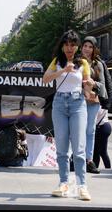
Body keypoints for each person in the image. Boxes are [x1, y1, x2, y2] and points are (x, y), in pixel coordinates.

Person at [43, 30, 92, 201]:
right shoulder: (57, 61)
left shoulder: (83, 63)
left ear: (77, 46)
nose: (70, 48)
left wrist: (90, 85)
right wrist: (63, 70)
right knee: (62, 147)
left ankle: (81, 185)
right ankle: (64, 183)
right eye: (67, 44)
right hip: (59, 103)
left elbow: (87, 86)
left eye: (73, 45)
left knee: (79, 147)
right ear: (62, 46)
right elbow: (45, 79)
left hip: (77, 102)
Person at [81, 36, 107, 174]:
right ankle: (76, 158)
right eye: (85, 46)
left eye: (90, 47)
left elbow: (102, 86)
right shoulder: (75, 61)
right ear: (81, 47)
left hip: (92, 101)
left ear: (94, 49)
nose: (87, 49)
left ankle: (89, 160)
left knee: (90, 131)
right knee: (76, 130)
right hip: (77, 100)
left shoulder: (98, 64)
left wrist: (92, 83)